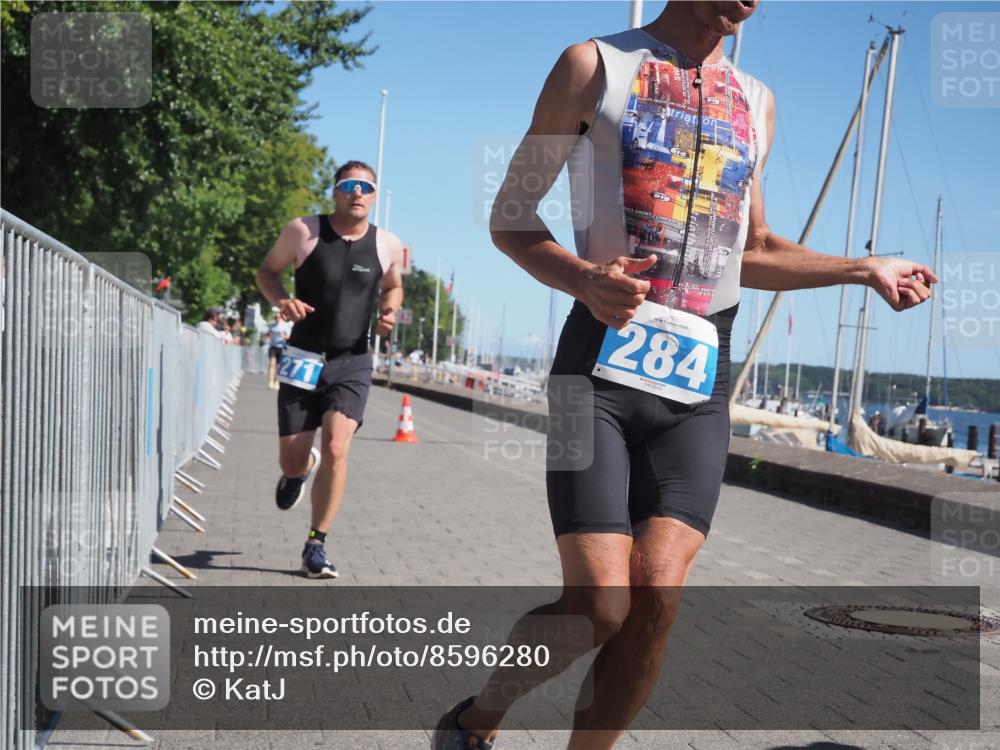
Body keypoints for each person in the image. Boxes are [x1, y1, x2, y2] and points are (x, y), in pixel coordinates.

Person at [433, 2, 936, 748]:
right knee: (600, 603)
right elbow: (511, 218)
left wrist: (865, 267)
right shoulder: (592, 67)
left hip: (698, 385)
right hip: (591, 377)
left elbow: (756, 247)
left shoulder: (757, 100)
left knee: (657, 597)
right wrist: (583, 280)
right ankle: (475, 722)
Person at [255, 160, 404, 579]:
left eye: (366, 187)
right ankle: (297, 473)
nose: (358, 193)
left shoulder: (387, 243)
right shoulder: (303, 231)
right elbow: (267, 272)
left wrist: (389, 312)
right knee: (291, 459)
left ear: (374, 196)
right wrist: (282, 299)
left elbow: (393, 283)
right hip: (302, 355)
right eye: (349, 185)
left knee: (338, 447)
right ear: (336, 191)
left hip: (352, 361)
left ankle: (316, 545)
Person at [266, 315, 293, 390]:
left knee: (279, 366)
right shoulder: (271, 326)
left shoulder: (285, 326)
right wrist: (268, 337)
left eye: (278, 317)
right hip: (273, 347)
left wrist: (284, 336)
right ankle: (270, 382)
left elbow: (289, 337)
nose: (277, 319)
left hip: (281, 347)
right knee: (272, 364)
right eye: (275, 317)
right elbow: (268, 334)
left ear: (281, 318)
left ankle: (277, 382)